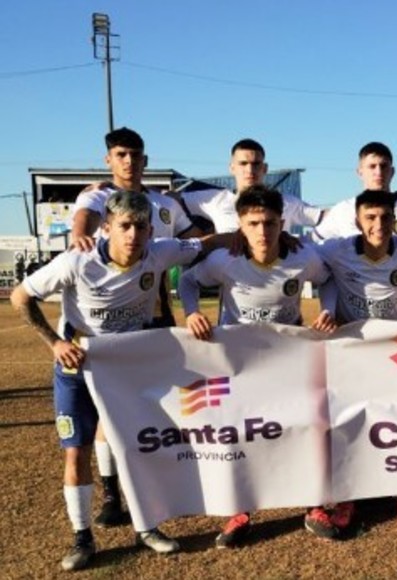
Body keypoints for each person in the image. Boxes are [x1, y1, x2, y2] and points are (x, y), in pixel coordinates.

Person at [10, 190, 220, 571]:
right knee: (77, 450)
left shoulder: (160, 252)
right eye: (124, 226)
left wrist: (245, 237)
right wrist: (55, 342)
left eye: (141, 226)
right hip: (77, 370)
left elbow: (204, 244)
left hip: (125, 371)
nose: (133, 235)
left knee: (136, 446)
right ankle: (82, 538)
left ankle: (146, 526)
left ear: (151, 229)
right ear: (106, 227)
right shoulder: (77, 261)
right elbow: (21, 297)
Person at [178, 185, 336, 547]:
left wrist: (327, 309)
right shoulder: (224, 261)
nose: (262, 232)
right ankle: (240, 509)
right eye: (253, 224)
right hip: (239, 364)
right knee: (240, 435)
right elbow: (188, 282)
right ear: (240, 226)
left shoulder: (302, 257)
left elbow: (328, 282)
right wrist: (191, 314)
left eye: (269, 223)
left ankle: (313, 505)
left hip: (288, 360)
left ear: (282, 223)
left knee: (303, 428)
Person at [68, 127, 208, 530]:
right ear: (108, 160)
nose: (129, 161)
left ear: (146, 160)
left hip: (157, 319)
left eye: (136, 155)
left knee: (158, 407)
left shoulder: (165, 204)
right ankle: (113, 495)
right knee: (111, 413)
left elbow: (194, 239)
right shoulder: (96, 197)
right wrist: (79, 233)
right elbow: (85, 219)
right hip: (109, 327)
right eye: (121, 154)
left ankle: (157, 487)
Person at [311, 189, 397, 537]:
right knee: (347, 424)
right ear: (358, 221)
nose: (379, 225)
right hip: (350, 353)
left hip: (394, 353)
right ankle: (347, 497)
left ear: (395, 220)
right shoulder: (336, 250)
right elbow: (303, 257)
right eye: (370, 218)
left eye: (386, 218)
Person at [181, 138, 325, 234]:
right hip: (229, 277)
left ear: (265, 168)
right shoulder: (214, 200)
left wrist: (310, 244)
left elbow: (324, 217)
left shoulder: (286, 202)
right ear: (232, 168)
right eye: (243, 163)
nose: (250, 170)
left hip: (274, 276)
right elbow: (170, 200)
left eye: (256, 164)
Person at [312, 141, 397, 244]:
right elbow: (311, 245)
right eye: (372, 166)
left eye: (384, 166)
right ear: (360, 172)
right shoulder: (343, 211)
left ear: (392, 172)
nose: (379, 172)